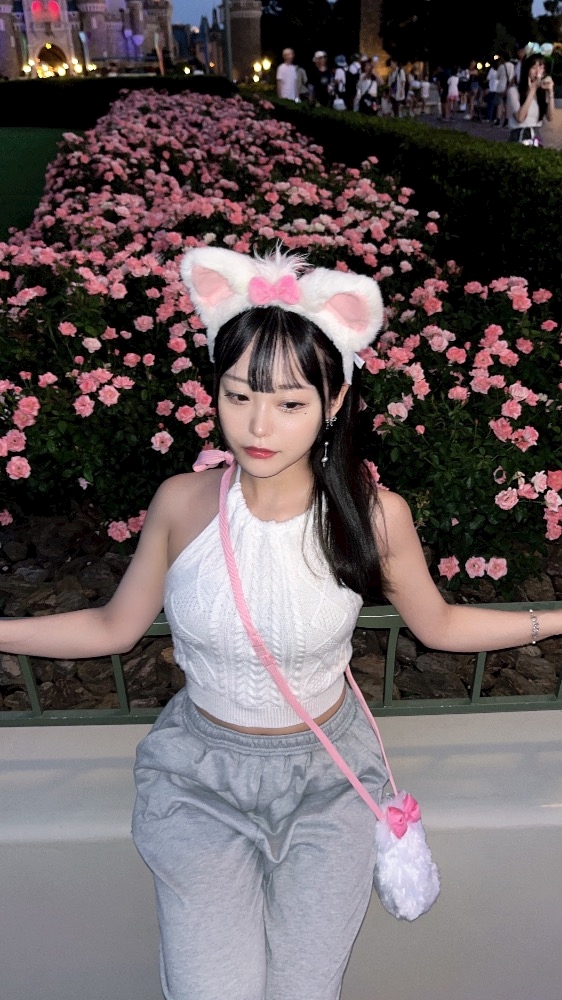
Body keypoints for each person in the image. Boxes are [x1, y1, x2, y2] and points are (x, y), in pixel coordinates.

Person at [2, 246, 561, 999]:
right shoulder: (182, 503)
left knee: (305, 988)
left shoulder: (372, 515)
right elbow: (113, 628)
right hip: (200, 778)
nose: (258, 425)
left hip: (328, 779)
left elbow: (441, 626)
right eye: (238, 396)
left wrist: (554, 620)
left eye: (291, 404)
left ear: (334, 401)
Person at [506, 53, 554, 145]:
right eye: (534, 68)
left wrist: (550, 92)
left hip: (536, 136)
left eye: (541, 68)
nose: (537, 72)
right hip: (519, 136)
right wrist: (532, 90)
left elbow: (550, 117)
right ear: (527, 70)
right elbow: (520, 118)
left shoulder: (541, 93)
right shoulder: (514, 91)